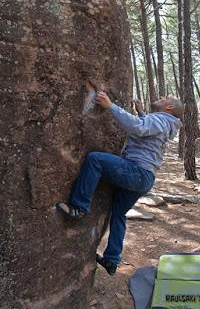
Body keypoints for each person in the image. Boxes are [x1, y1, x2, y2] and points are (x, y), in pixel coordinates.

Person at [55, 93, 183, 276]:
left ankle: (79, 207)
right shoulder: (165, 122)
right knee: (119, 213)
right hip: (144, 178)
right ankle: (112, 259)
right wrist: (141, 113)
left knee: (94, 160)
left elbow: (138, 128)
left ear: (169, 108)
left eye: (166, 97)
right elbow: (147, 129)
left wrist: (110, 106)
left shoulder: (162, 119)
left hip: (137, 172)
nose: (162, 96)